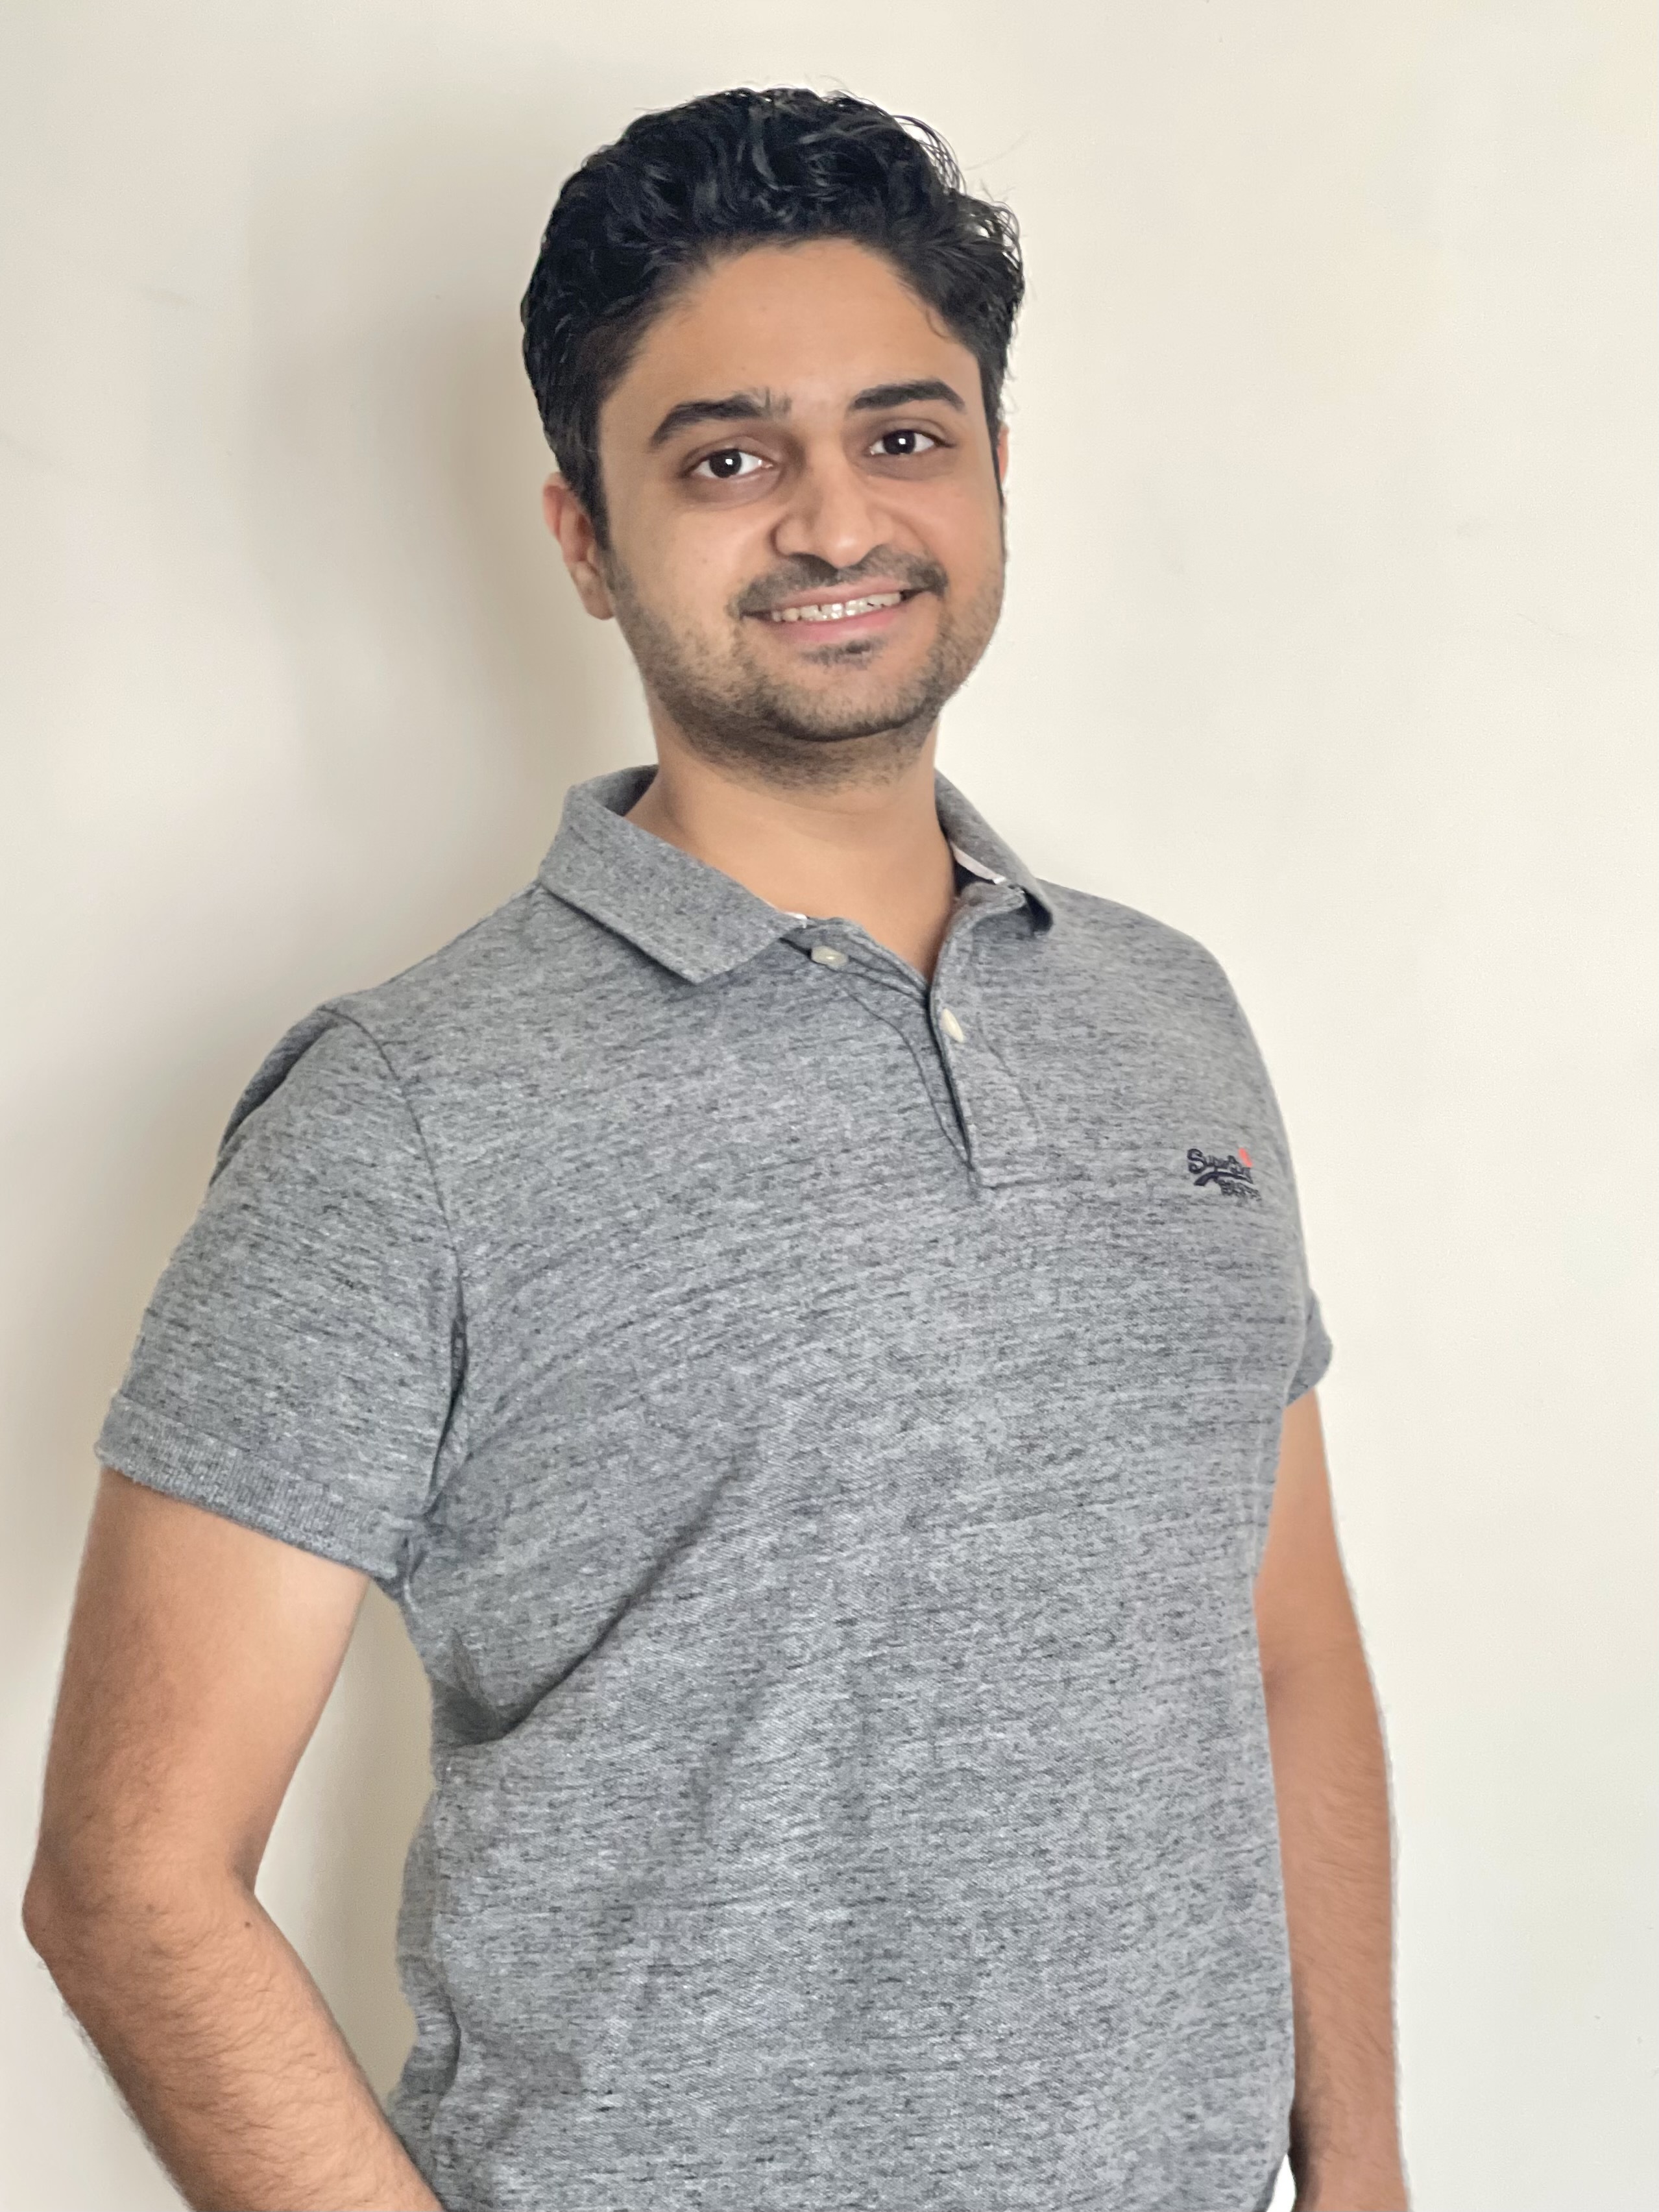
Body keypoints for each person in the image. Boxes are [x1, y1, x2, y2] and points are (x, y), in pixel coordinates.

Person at [23, 86, 1408, 2212]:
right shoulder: (403, 1116)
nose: (838, 521)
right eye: (730, 457)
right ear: (584, 537)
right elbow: (129, 1876)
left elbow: (1284, 1643)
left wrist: (1365, 2163)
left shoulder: (1169, 1014)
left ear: (998, 472)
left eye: (905, 434)